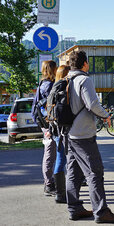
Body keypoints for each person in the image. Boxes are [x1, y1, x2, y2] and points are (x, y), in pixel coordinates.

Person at [65, 50, 114, 223]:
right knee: (94, 172)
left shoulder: (65, 80)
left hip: (68, 134)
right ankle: (101, 212)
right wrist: (105, 115)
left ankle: (74, 209)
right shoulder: (84, 80)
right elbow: (92, 104)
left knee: (73, 172)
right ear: (84, 64)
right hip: (83, 134)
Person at [32, 60, 57, 196]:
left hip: (45, 123)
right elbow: (50, 107)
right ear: (52, 69)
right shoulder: (48, 86)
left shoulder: (43, 83)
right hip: (48, 124)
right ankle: (48, 184)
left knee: (50, 152)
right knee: (50, 152)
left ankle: (49, 182)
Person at [50, 65, 70, 203]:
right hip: (64, 129)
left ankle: (59, 193)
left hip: (55, 129)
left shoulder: (54, 87)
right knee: (64, 159)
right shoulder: (65, 87)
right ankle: (61, 194)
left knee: (60, 159)